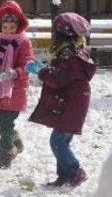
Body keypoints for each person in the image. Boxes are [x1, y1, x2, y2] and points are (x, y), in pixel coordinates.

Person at [28, 12, 96, 187]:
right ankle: (64, 177)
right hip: (73, 102)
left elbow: (58, 79)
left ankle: (75, 171)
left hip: (72, 104)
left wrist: (41, 71)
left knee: (57, 141)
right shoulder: (73, 53)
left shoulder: (70, 56)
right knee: (62, 140)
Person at [0, 0, 34, 169]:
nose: (9, 31)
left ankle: (5, 157)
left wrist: (14, 73)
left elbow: (27, 62)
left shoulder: (23, 42)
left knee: (5, 125)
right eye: (5, 27)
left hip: (15, 90)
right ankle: (14, 138)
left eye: (12, 28)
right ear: (0, 26)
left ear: (18, 26)